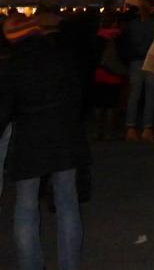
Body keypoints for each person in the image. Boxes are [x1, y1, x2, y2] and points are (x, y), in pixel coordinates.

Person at [0, 15, 90, 270]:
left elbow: (4, 109)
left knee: (26, 205)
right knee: (67, 202)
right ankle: (69, 264)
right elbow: (78, 94)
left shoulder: (11, 65)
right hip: (64, 135)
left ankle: (31, 264)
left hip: (30, 139)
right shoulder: (61, 56)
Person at [122, 0, 154, 143]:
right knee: (150, 96)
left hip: (136, 60)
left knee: (134, 96)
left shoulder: (132, 24)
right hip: (151, 60)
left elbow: (127, 41)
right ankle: (147, 128)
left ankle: (130, 128)